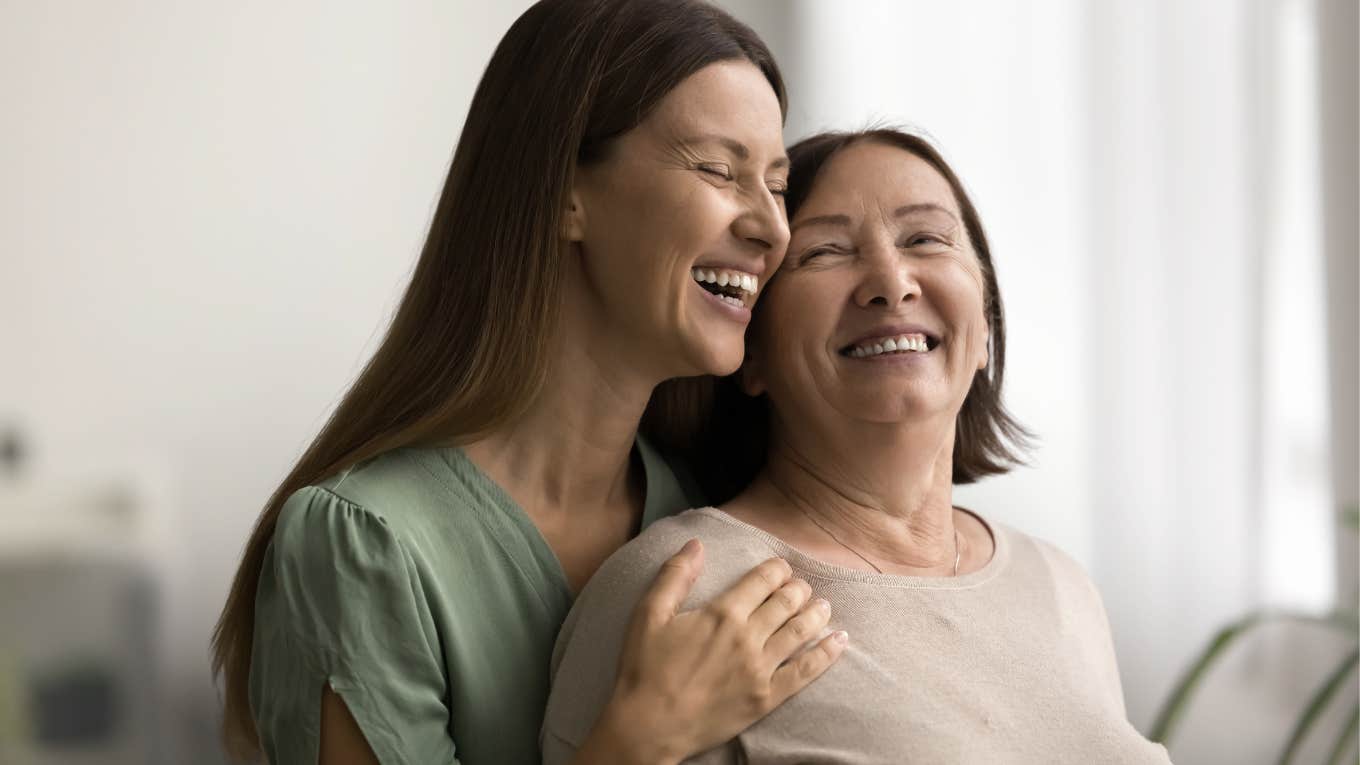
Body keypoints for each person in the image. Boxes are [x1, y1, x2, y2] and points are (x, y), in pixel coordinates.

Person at [210, 2, 848, 763]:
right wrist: (637, 740)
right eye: (718, 168)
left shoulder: (707, 512)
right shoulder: (362, 548)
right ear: (566, 194)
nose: (772, 227)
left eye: (776, 185)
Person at [541, 129, 1174, 763]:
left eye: (924, 238)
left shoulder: (1061, 587)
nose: (890, 282)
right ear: (750, 350)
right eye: (825, 252)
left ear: (985, 329)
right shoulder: (686, 586)